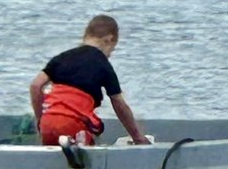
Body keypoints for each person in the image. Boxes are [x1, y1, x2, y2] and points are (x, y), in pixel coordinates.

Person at [29, 14, 148, 149]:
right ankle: (79, 146)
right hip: (74, 125)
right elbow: (119, 104)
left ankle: (66, 145)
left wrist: (40, 120)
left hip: (47, 125)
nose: (109, 54)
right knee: (96, 127)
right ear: (109, 40)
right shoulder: (103, 64)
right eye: (112, 50)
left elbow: (36, 85)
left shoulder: (62, 58)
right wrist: (138, 138)